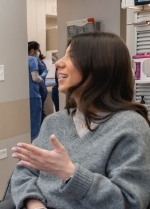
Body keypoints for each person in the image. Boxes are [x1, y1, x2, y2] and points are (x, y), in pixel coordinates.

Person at [11, 32, 150, 209]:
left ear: (100, 66)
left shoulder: (130, 126)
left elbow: (130, 202)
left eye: (72, 56)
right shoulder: (53, 122)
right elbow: (24, 171)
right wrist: (33, 203)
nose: (58, 62)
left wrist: (69, 172)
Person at [28, 41, 43, 141]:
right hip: (34, 95)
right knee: (35, 124)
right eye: (37, 51)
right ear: (33, 51)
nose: (38, 53)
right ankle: (36, 144)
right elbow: (35, 78)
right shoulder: (32, 59)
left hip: (25, 96)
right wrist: (42, 77)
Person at [37, 50, 49, 123]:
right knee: (40, 110)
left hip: (40, 89)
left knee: (39, 110)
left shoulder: (38, 62)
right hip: (40, 88)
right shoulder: (37, 61)